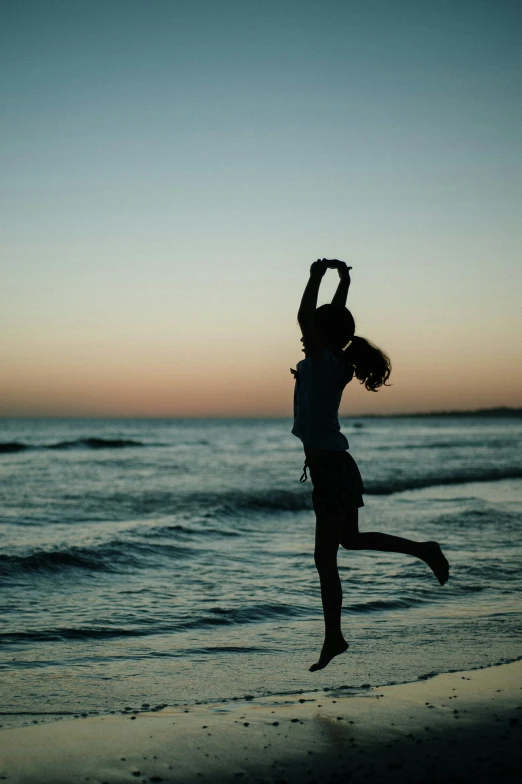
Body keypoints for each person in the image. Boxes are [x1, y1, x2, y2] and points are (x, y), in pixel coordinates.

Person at [291, 258, 450, 672]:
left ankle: (334, 638)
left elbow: (313, 317)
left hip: (332, 471)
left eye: (311, 332)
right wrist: (343, 283)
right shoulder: (325, 362)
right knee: (349, 543)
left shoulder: (327, 363)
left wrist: (316, 276)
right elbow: (333, 320)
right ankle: (423, 549)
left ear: (326, 337)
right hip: (335, 469)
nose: (303, 334)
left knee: (326, 557)